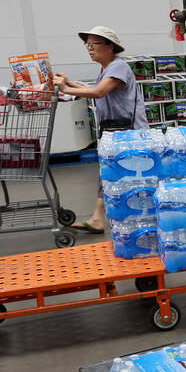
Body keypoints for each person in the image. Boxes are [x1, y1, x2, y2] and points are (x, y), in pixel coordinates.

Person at [53, 26, 148, 234]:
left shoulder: (118, 67)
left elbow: (99, 92)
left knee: (129, 175)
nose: (89, 48)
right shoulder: (107, 69)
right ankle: (97, 218)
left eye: (94, 44)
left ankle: (142, 217)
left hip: (129, 132)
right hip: (115, 131)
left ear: (110, 46)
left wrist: (66, 89)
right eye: (87, 44)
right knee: (108, 173)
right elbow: (97, 89)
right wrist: (70, 82)